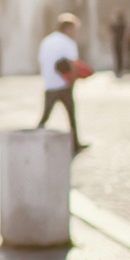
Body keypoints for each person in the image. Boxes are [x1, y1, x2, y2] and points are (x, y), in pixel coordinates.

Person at [36, 13, 88, 154]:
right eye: (74, 29)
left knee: (45, 116)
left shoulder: (46, 41)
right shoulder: (68, 43)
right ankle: (75, 145)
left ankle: (33, 141)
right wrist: (73, 81)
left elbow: (41, 63)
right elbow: (73, 65)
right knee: (71, 116)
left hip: (49, 85)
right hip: (64, 86)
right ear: (68, 28)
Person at [109, 11, 126, 77]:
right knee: (118, 57)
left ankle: (119, 69)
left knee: (119, 57)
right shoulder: (121, 25)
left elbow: (113, 29)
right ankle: (119, 69)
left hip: (119, 43)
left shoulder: (121, 25)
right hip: (118, 43)